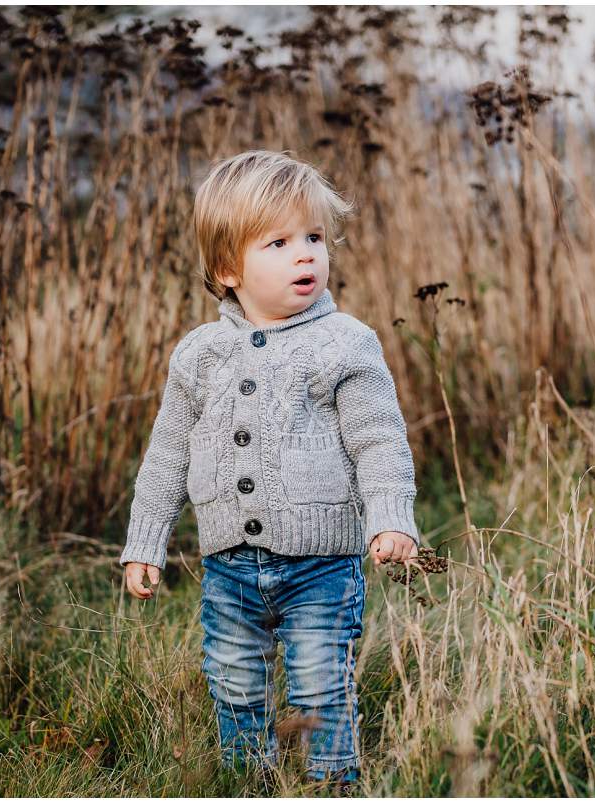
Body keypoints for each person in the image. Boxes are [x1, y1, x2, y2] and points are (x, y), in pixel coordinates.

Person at [119, 149, 421, 789]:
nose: (306, 254)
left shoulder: (346, 341)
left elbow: (379, 440)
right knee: (232, 677)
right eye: (279, 242)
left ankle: (332, 780)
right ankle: (246, 781)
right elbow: (168, 453)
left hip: (322, 563)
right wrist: (145, 540)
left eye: (314, 237)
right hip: (228, 564)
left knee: (320, 680)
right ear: (228, 268)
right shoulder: (200, 355)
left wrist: (392, 518)